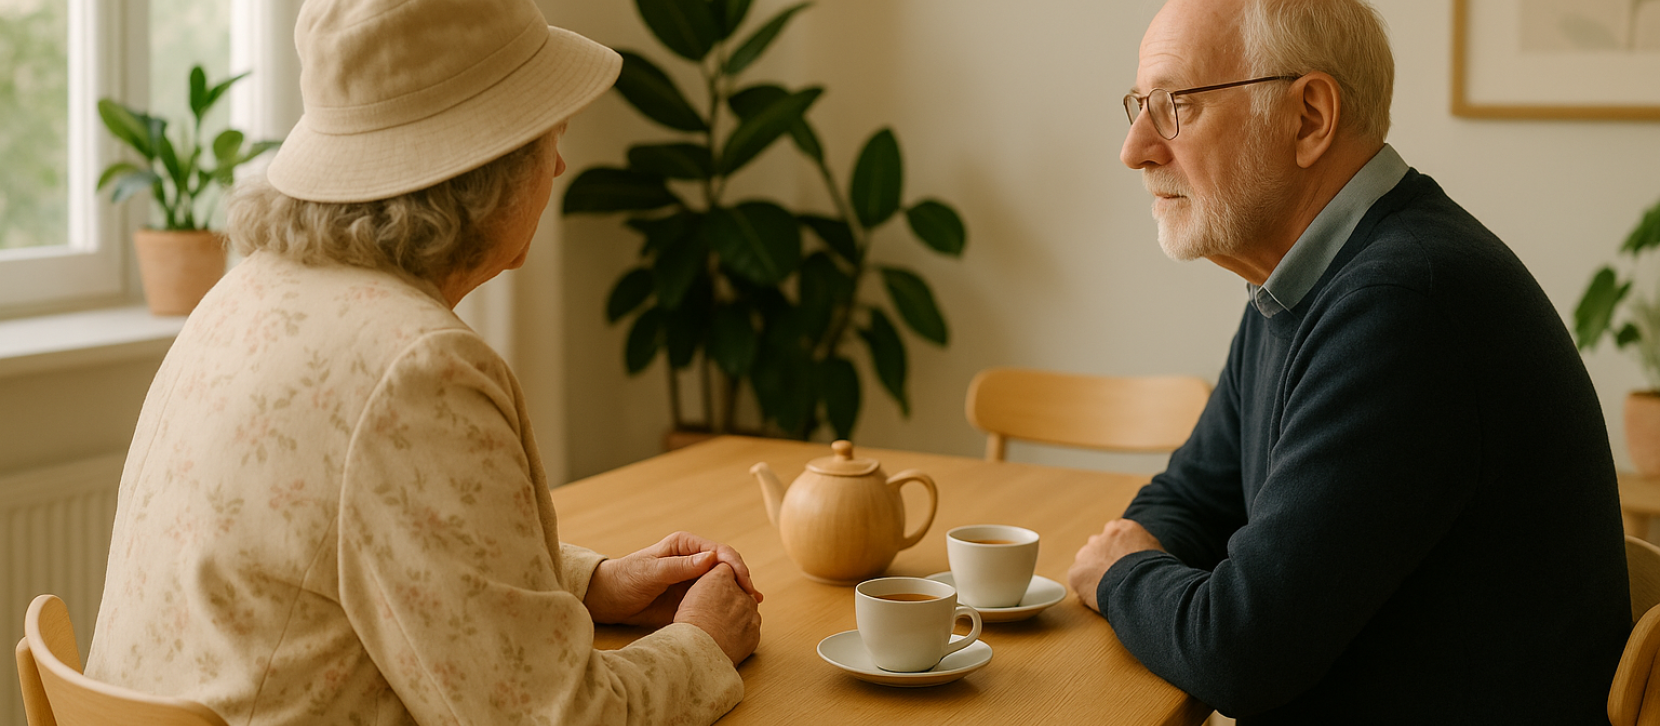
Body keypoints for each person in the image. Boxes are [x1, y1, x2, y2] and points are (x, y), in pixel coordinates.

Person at [84, 0, 762, 723]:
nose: (560, 162)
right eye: (548, 134)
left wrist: (595, 582)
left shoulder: (244, 296)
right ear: (487, 168)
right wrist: (702, 643)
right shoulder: (414, 369)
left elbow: (364, 551)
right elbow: (557, 716)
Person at [1066, 0, 1629, 722]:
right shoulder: (1301, 284)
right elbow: (1187, 502)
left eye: (1175, 106)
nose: (1136, 147)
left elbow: (1240, 653)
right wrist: (1155, 566)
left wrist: (1121, 573)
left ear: (1308, 118)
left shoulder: (1405, 305)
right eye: (1139, 106)